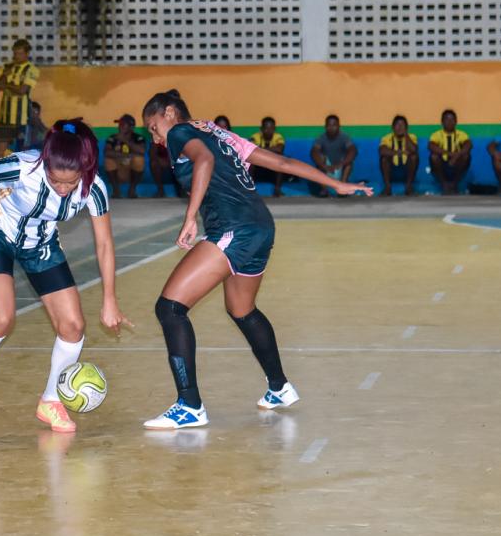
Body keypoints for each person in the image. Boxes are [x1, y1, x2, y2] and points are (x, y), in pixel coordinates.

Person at [138, 90, 372, 429]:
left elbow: (203, 162)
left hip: (234, 228)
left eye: (153, 126)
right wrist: (334, 183)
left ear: (170, 113)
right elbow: (281, 163)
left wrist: (190, 217)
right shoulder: (219, 133)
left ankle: (189, 405)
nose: (155, 137)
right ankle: (279, 387)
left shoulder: (179, 132)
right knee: (242, 309)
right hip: (261, 226)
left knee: (170, 308)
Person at [0, 120, 130, 433]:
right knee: (3, 318)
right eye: (56, 181)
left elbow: (104, 244)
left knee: (73, 326)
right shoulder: (22, 168)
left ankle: (51, 401)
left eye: (69, 184)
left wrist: (110, 300)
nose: (62, 190)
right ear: (45, 165)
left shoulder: (93, 188)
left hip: (40, 243)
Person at [0, 38, 39, 153]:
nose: (17, 56)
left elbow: (22, 90)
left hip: (21, 118)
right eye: (15, 53)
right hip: (5, 118)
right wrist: (4, 75)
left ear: (27, 54)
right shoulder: (6, 67)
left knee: (21, 152)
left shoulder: (31, 69)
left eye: (20, 53)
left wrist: (6, 85)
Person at [427, 109, 472, 195]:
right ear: (442, 122)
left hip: (457, 164)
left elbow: (468, 145)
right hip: (442, 165)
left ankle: (455, 184)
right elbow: (431, 146)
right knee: (434, 157)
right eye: (447, 119)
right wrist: (449, 154)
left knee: (466, 156)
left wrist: (456, 156)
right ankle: (444, 185)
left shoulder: (461, 134)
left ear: (456, 122)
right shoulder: (437, 134)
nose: (449, 122)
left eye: (452, 119)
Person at [309, 114, 356, 197]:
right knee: (319, 160)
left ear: (339, 126)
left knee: (349, 163)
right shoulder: (321, 138)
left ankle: (343, 188)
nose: (331, 127)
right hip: (327, 168)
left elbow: (352, 150)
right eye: (329, 125)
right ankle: (324, 190)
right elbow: (314, 151)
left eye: (334, 125)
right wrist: (324, 166)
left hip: (340, 167)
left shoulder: (344, 137)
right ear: (325, 127)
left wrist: (341, 164)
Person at [103, 114, 146, 198]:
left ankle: (132, 190)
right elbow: (107, 152)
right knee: (108, 160)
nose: (120, 126)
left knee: (139, 160)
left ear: (131, 127)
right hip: (118, 171)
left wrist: (125, 140)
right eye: (119, 124)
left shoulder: (138, 138)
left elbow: (142, 151)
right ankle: (116, 191)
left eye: (123, 124)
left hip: (131, 172)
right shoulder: (113, 138)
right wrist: (125, 155)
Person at [378, 115, 418, 196]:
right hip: (392, 170)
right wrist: (397, 153)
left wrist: (406, 135)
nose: (400, 127)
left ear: (406, 127)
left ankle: (409, 186)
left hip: (406, 169)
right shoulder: (387, 138)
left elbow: (414, 150)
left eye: (402, 125)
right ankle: (387, 187)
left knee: (414, 157)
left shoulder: (412, 137)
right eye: (397, 125)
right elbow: (382, 151)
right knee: (384, 159)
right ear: (393, 127)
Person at [249, 117, 288, 197]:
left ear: (274, 129)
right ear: (261, 129)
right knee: (250, 161)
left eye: (271, 128)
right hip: (258, 167)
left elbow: (280, 149)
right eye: (266, 128)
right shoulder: (255, 137)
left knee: (281, 158)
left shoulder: (278, 137)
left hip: (272, 168)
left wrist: (261, 150)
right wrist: (272, 150)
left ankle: (277, 189)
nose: (269, 131)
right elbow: (252, 150)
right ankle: (249, 189)